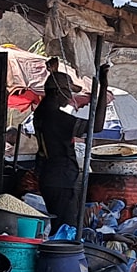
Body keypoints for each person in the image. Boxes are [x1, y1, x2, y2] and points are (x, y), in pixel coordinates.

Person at [34, 58, 87, 225]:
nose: (70, 97)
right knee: (65, 227)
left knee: (60, 224)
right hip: (61, 179)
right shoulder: (56, 117)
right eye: (68, 92)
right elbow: (96, 126)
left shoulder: (41, 113)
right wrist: (104, 88)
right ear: (58, 92)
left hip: (50, 175)